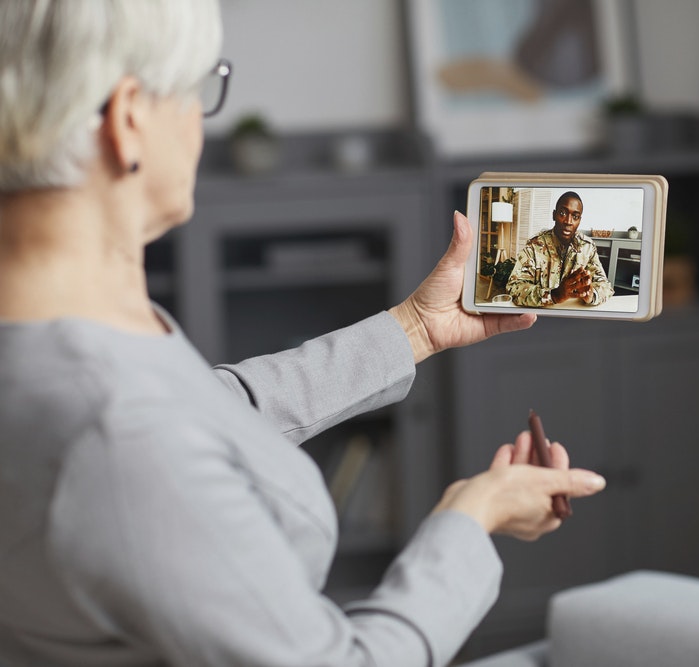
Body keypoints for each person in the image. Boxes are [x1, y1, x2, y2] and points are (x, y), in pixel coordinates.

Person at [0, 2, 606, 666]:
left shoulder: (51, 339)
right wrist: (472, 516)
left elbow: (208, 406)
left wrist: (414, 329)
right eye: (200, 89)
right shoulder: (120, 433)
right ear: (129, 119)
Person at [505, 191, 614, 307]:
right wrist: (554, 295)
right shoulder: (534, 245)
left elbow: (606, 287)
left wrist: (591, 294)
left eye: (575, 216)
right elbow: (514, 287)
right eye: (562, 213)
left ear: (579, 220)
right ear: (554, 215)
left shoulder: (587, 247)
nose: (568, 221)